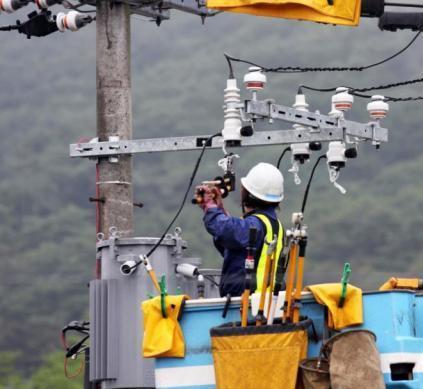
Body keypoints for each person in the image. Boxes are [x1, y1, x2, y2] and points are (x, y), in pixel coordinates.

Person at [195, 162, 285, 297]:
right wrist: (219, 209)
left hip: (246, 307)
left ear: (249, 195)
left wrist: (210, 207)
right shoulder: (272, 225)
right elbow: (234, 248)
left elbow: (227, 230)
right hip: (264, 304)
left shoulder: (255, 225)